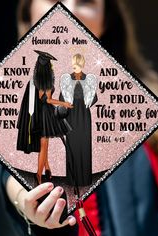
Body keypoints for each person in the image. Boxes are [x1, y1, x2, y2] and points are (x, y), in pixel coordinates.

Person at [0, 0, 158, 235]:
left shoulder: (148, 105)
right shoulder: (5, 103)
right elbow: (6, 171)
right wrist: (27, 202)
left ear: (106, 19)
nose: (69, 11)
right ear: (28, 12)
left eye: (86, 1)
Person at [16, 50, 73, 185]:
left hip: (38, 114)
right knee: (44, 146)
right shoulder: (47, 80)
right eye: (51, 65)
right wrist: (63, 103)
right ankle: (38, 175)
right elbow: (47, 100)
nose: (52, 67)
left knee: (43, 145)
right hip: (45, 115)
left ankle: (47, 168)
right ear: (47, 67)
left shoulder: (35, 79)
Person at [60, 53, 98, 186]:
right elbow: (61, 97)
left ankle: (85, 178)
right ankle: (72, 179)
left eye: (77, 65)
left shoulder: (88, 79)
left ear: (82, 65)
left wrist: (85, 100)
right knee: (72, 146)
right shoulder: (66, 79)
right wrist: (65, 105)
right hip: (70, 116)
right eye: (73, 64)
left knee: (84, 145)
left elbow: (94, 98)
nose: (74, 67)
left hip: (84, 116)